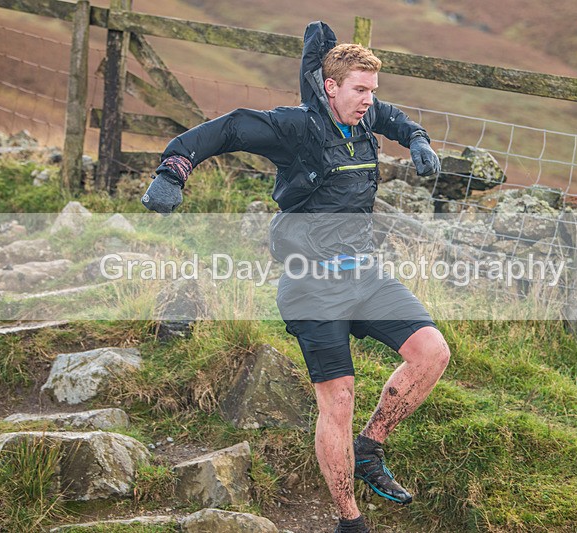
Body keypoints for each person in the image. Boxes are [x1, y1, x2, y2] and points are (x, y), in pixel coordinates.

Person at [142, 21, 451, 533]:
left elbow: (393, 117)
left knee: (432, 352)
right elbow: (231, 127)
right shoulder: (297, 127)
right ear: (330, 87)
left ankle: (370, 448)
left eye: (373, 91)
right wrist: (173, 169)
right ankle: (348, 520)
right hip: (311, 285)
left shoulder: (367, 112)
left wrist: (415, 138)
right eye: (359, 91)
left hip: (364, 274)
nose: (369, 102)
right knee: (339, 398)